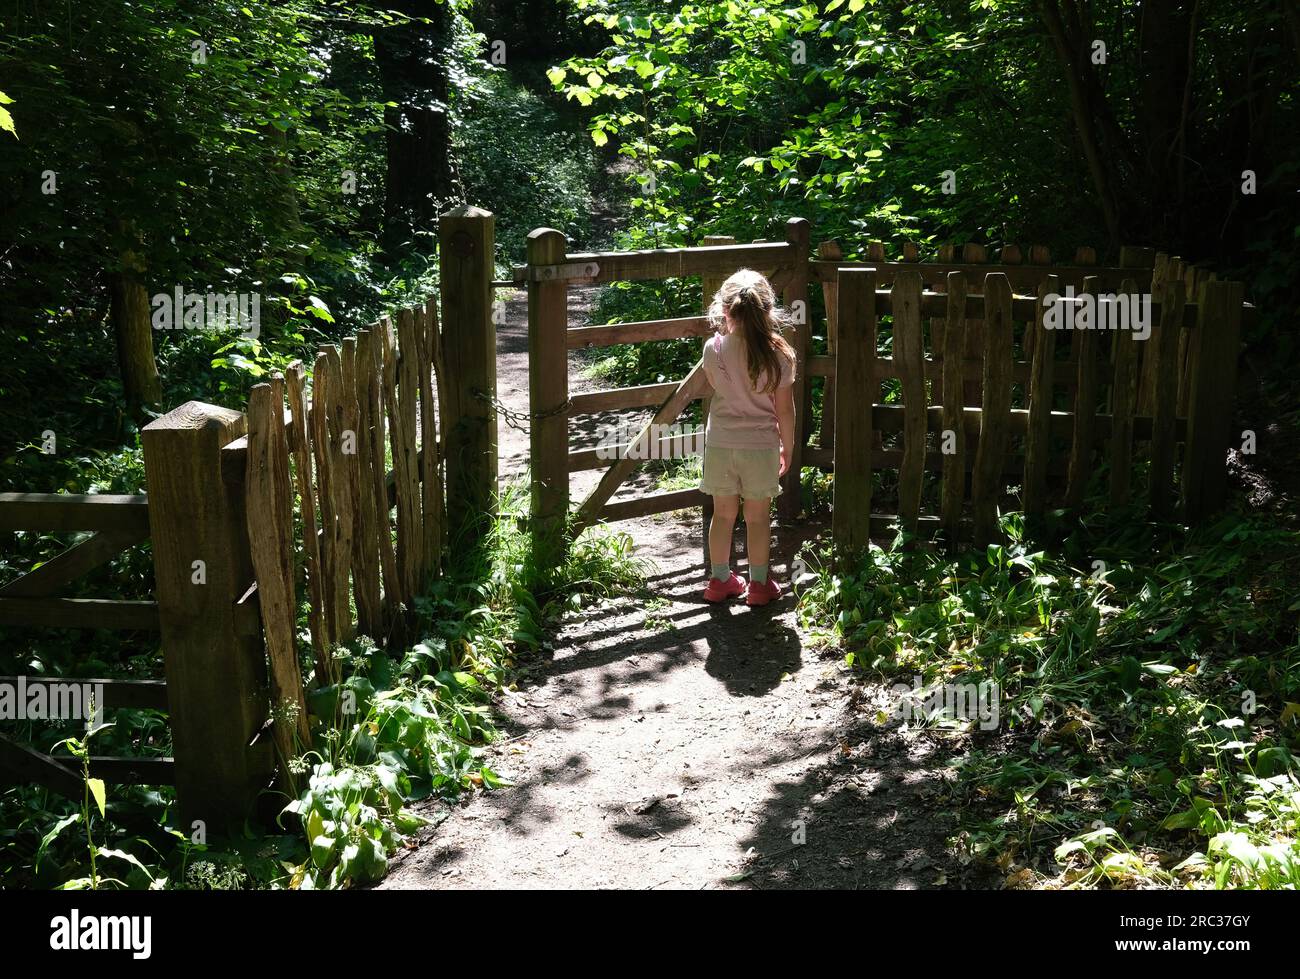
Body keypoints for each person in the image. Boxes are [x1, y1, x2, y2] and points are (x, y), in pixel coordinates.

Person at [698, 269, 796, 607]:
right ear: (768, 311)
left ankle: (720, 579)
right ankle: (757, 585)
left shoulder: (714, 349)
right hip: (761, 446)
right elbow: (785, 410)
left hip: (722, 445)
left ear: (725, 311)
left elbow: (720, 389)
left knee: (722, 515)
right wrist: (789, 445)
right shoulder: (779, 355)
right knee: (757, 518)